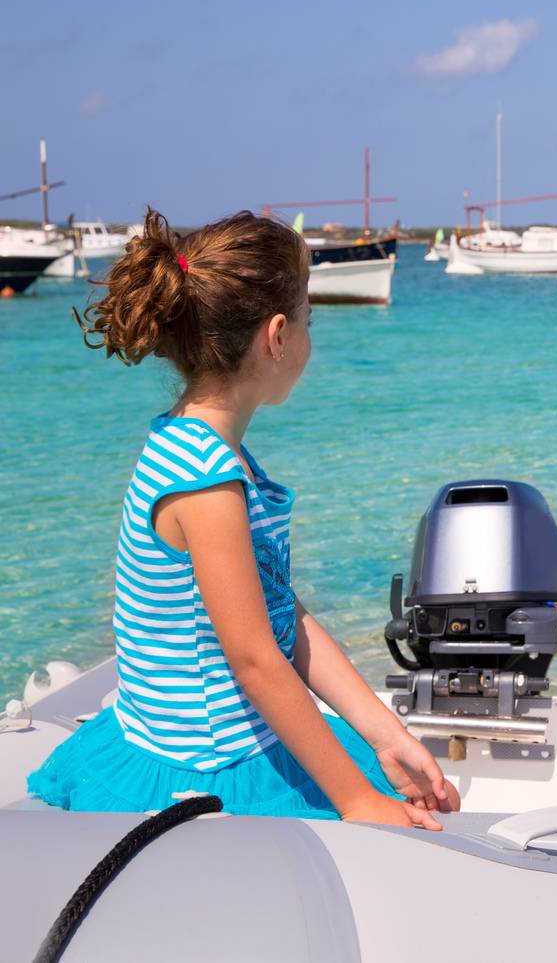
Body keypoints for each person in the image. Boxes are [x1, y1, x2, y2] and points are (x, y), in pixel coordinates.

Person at [29, 208, 458, 828]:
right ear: (277, 335)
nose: (311, 338)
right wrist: (357, 801)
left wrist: (384, 734)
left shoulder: (197, 444)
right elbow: (255, 659)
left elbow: (281, 611)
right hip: (205, 767)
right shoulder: (206, 480)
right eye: (309, 319)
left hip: (232, 737)